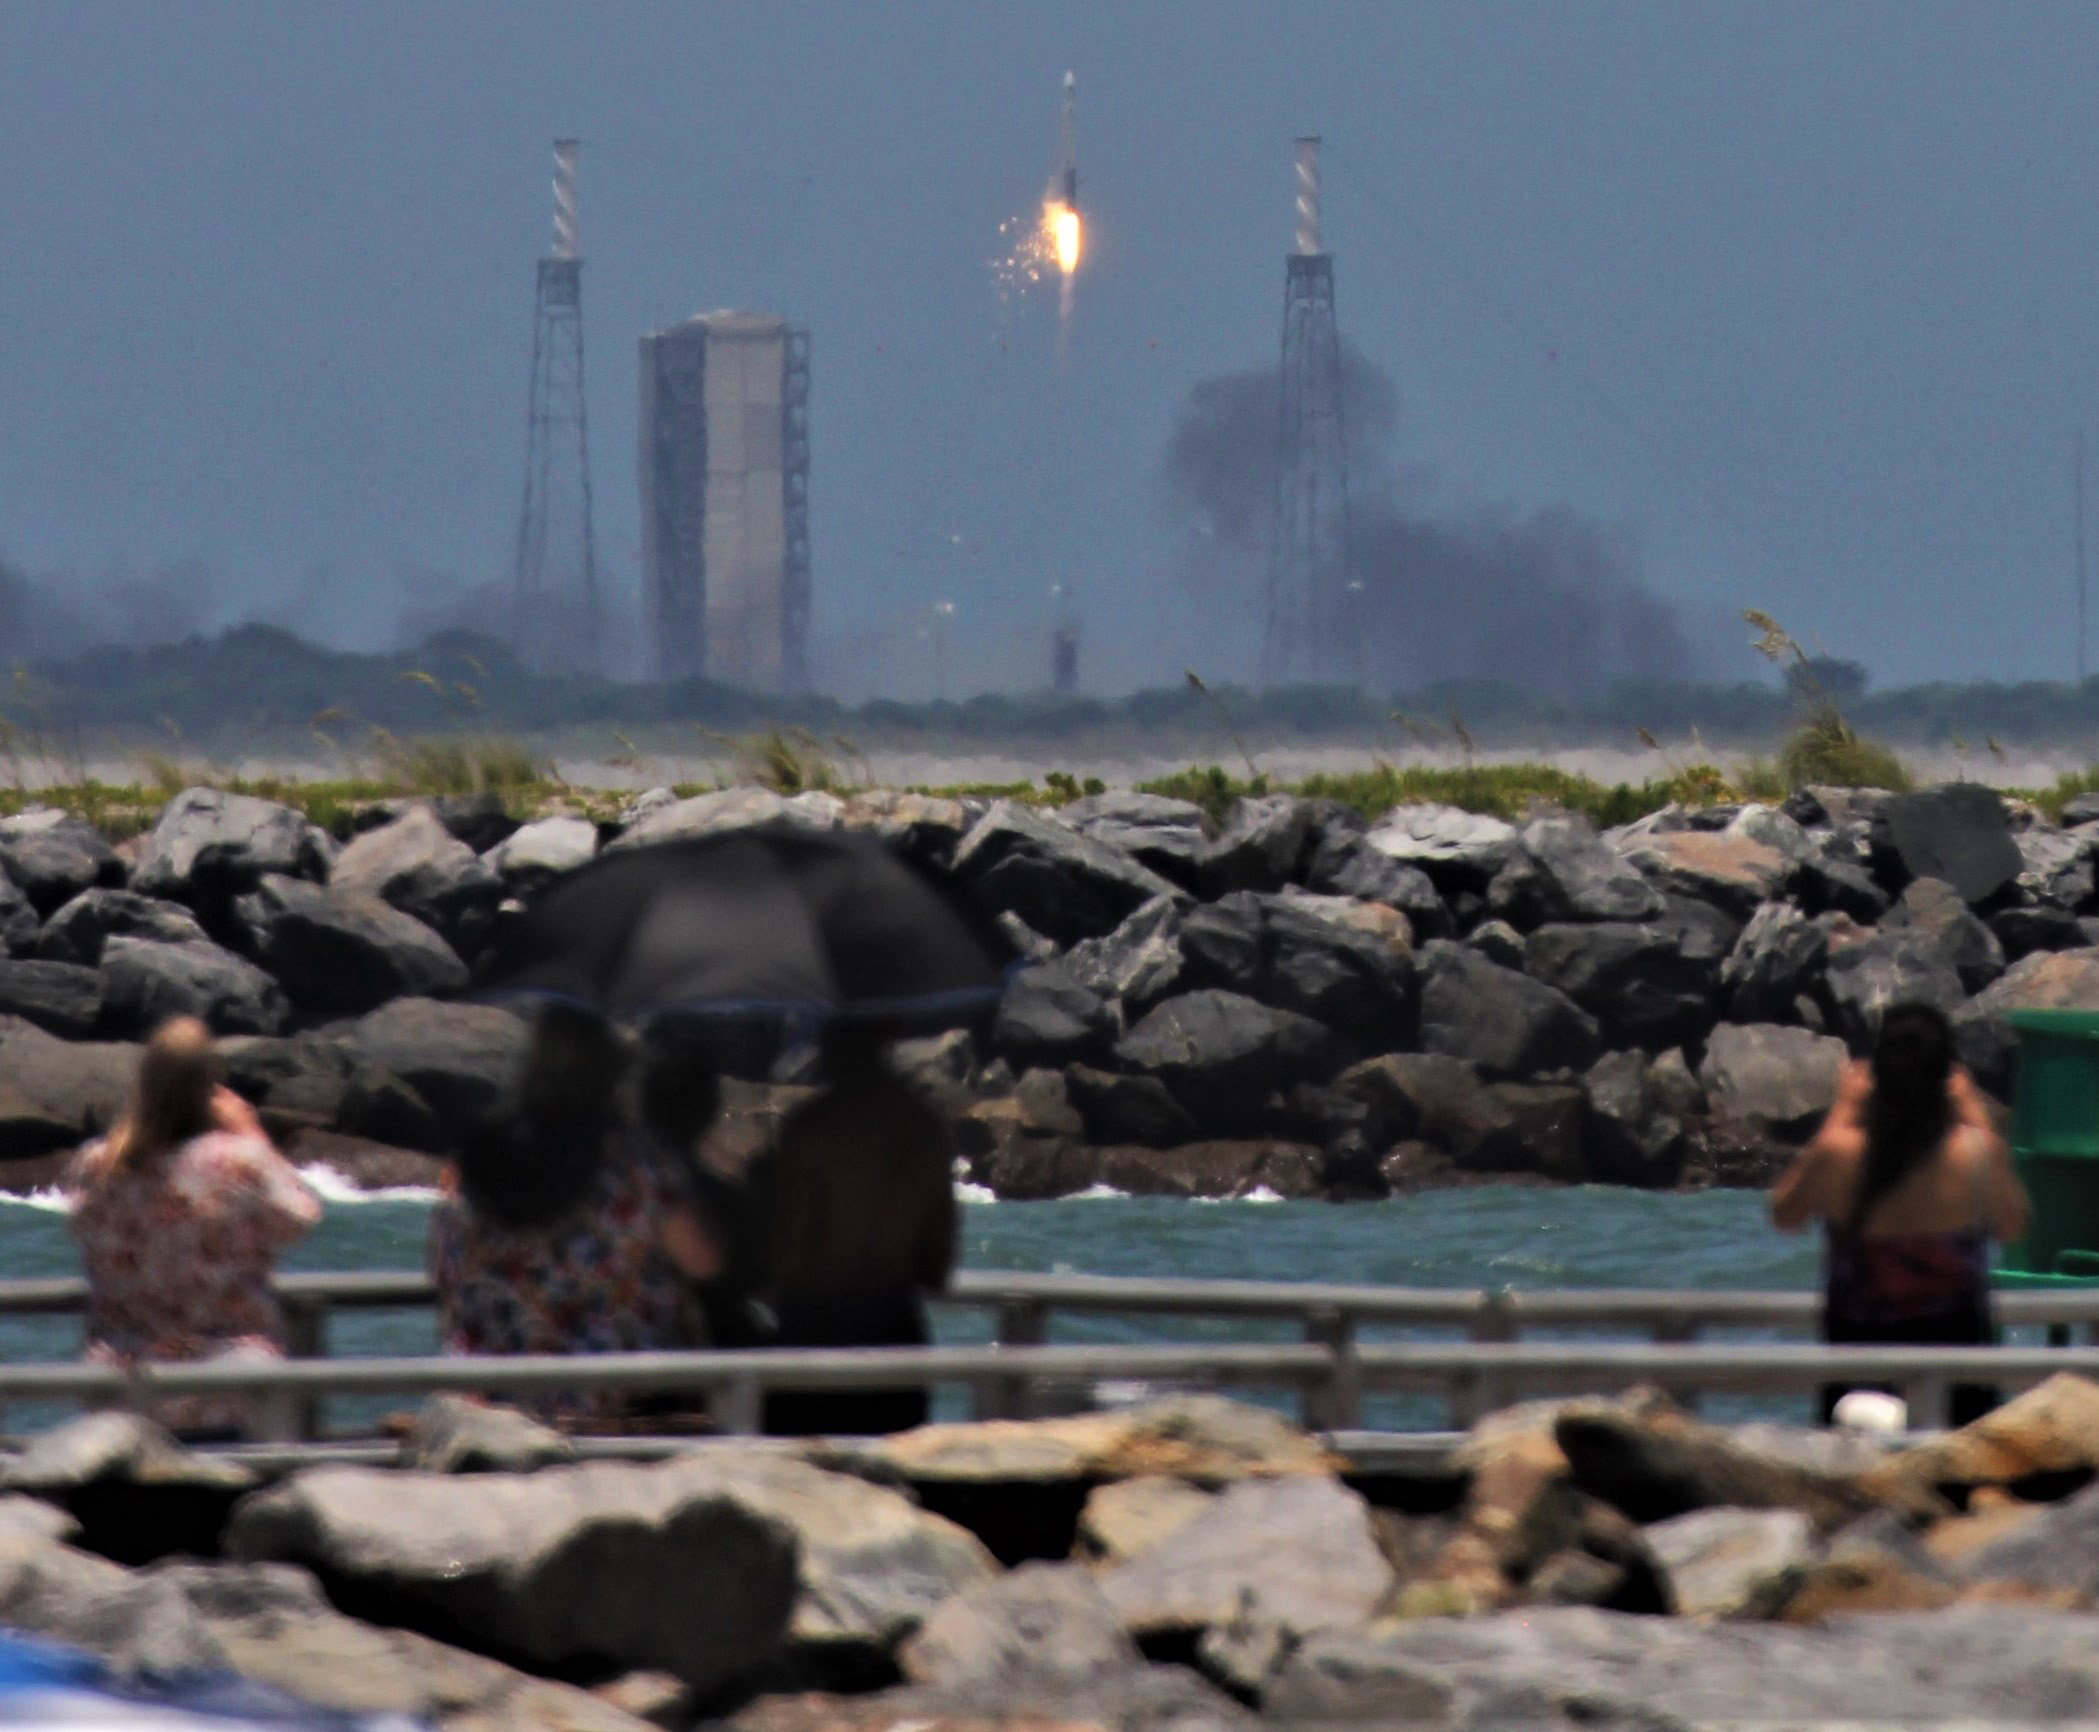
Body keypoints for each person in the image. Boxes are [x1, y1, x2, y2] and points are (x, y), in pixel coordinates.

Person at [429, 1003, 720, 1423]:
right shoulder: (634, 1160)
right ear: (611, 1076)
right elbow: (704, 1262)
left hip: (490, 1396)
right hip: (609, 1399)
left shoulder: (469, 1162)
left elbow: (445, 1276)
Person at [1771, 1002, 2028, 1427]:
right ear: (1946, 1078)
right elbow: (2012, 1225)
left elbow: (1785, 1214)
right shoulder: (1974, 1153)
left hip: (1857, 1375)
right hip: (1961, 1384)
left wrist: (1841, 1112)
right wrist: (1977, 1114)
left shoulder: (1841, 1152)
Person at [65, 1016, 322, 1441]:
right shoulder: (240, 1161)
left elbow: (79, 1226)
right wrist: (252, 1132)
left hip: (124, 1385)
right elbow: (300, 1218)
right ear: (212, 1085)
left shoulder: (99, 1164)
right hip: (228, 1381)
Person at [757, 1022, 957, 1436]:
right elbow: (937, 1269)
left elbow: (786, 1256)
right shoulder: (923, 1127)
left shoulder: (807, 1128)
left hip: (809, 1339)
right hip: (893, 1339)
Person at [637, 1035, 770, 1348]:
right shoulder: (724, 1198)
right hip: (710, 1354)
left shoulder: (617, 1193)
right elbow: (754, 1277)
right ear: (708, 1109)